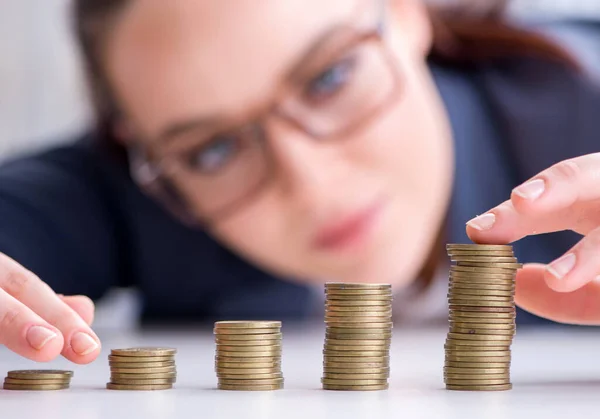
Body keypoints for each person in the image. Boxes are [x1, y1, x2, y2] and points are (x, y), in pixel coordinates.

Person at [0, 0, 598, 366]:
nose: (311, 183)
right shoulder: (131, 191)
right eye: (214, 149)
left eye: (330, 77)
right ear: (137, 147)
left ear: (408, 12)